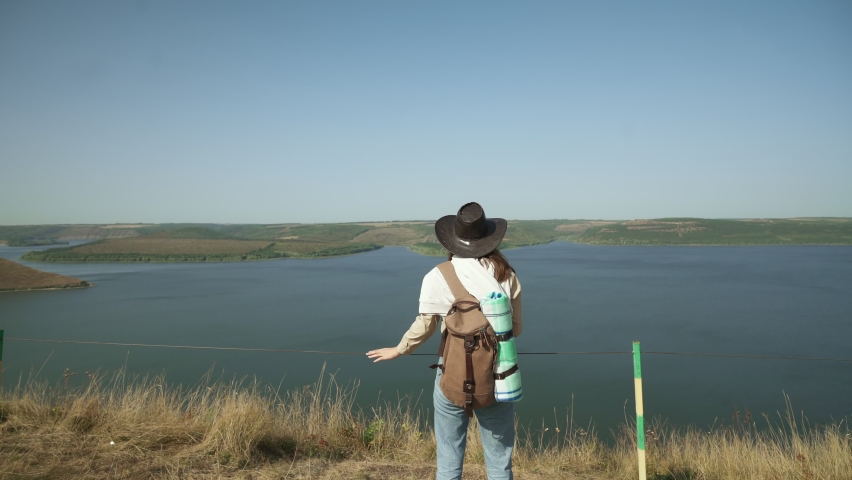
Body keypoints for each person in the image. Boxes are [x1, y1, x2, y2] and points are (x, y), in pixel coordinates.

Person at [367, 202, 522, 480]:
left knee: (449, 461)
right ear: (489, 239)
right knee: (499, 464)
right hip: (497, 377)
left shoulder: (439, 275)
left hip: (451, 374)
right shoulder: (505, 275)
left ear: (453, 240)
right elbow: (516, 329)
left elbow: (425, 325)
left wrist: (399, 349)